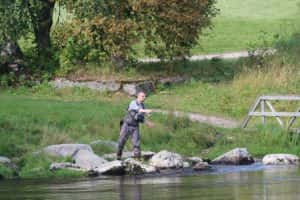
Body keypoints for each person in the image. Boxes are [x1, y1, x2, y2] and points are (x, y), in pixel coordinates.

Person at [116, 91, 153, 160]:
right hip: (127, 125)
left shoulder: (143, 105)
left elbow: (140, 118)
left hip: (135, 126)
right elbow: (138, 110)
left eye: (145, 96)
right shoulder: (133, 103)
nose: (144, 98)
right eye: (143, 96)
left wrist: (148, 123)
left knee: (136, 143)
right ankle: (118, 156)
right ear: (138, 97)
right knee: (121, 141)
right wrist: (146, 111)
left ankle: (137, 158)